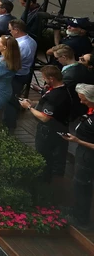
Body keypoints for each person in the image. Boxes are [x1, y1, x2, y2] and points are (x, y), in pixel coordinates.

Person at [20, 65, 70, 182]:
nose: (44, 81)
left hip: (48, 132)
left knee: (43, 156)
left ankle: (43, 180)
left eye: (45, 78)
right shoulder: (63, 89)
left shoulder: (55, 96)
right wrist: (33, 103)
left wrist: (28, 108)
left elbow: (45, 117)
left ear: (51, 78)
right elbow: (46, 103)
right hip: (59, 127)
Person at [63, 83, 94, 229]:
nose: (81, 102)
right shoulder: (90, 111)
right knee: (77, 184)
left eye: (84, 100)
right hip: (82, 153)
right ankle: (76, 210)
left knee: (82, 186)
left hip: (89, 157)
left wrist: (77, 141)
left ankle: (81, 219)